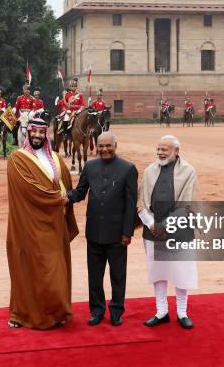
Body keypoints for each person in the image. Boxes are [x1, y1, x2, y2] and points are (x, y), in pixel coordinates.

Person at [6, 118, 79, 329]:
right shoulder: (17, 159)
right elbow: (30, 188)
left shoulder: (56, 158)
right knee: (29, 268)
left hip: (54, 224)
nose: (37, 135)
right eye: (34, 132)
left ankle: (55, 313)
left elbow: (67, 183)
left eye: (41, 132)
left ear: (46, 134)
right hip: (29, 225)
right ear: (27, 133)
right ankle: (22, 314)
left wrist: (70, 197)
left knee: (54, 269)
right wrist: (59, 199)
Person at [66, 132, 138, 327]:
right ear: (95, 147)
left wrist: (127, 232)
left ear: (116, 145)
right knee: (95, 276)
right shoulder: (89, 166)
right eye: (101, 146)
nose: (105, 149)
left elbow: (131, 205)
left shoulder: (128, 169)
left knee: (117, 275)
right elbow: (81, 192)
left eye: (108, 145)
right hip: (95, 231)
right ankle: (96, 310)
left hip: (117, 234)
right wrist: (67, 196)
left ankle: (116, 310)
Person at [137, 135, 198, 330]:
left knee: (182, 272)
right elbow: (141, 202)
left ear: (176, 151)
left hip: (179, 230)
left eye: (165, 150)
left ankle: (182, 312)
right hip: (153, 231)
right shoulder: (149, 171)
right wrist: (151, 223)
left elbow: (188, 204)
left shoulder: (189, 172)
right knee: (158, 272)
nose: (161, 153)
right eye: (159, 149)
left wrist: (166, 225)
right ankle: (161, 311)